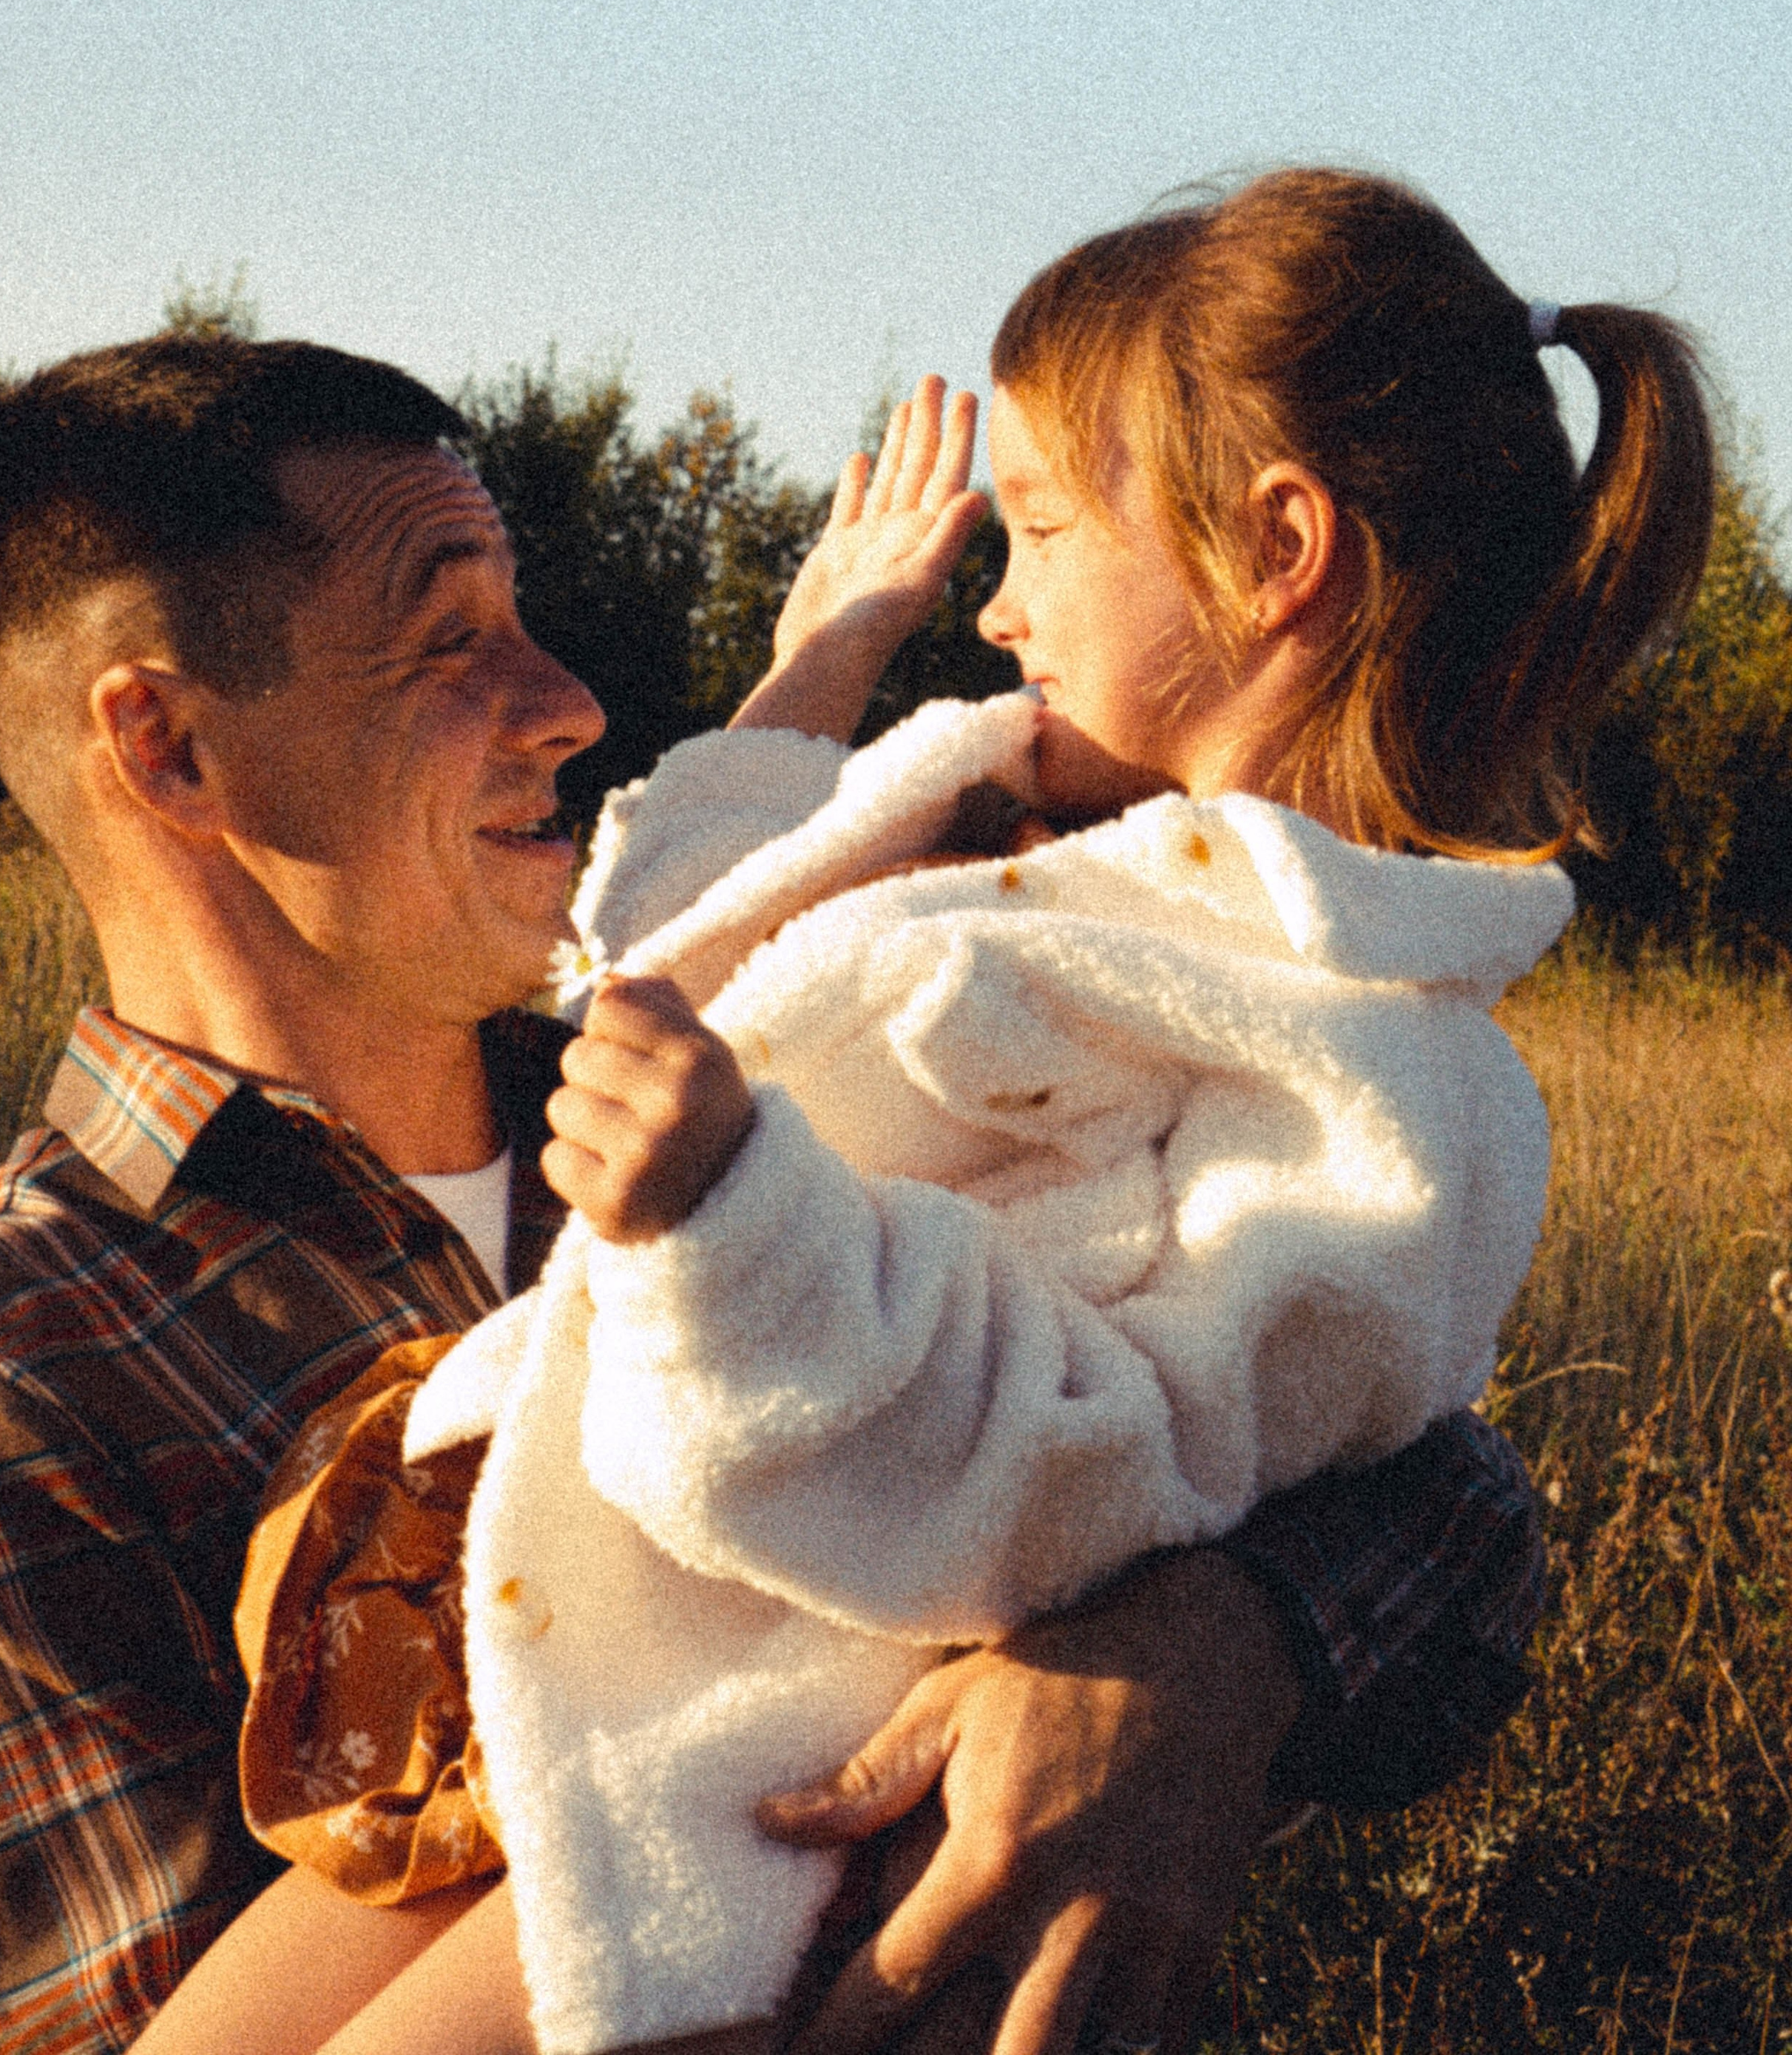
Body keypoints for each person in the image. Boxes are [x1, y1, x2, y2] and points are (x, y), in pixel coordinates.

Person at [135, 171, 1714, 2055]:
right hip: (580, 1683)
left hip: (781, 1821)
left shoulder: (1374, 1071)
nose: (1001, 596)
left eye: (1040, 525)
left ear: (1275, 549)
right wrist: (827, 658)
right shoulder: (1036, 831)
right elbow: (667, 959)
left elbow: (1094, 1481)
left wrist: (744, 1225)